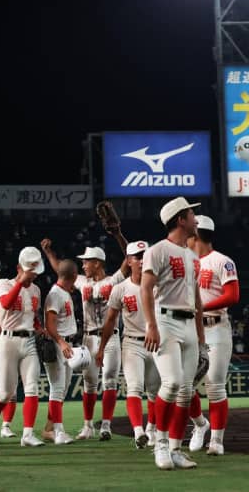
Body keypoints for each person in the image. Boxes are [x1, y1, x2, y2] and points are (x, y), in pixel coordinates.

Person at [41, 237, 128, 441]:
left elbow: (128, 261)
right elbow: (62, 271)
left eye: (86, 261)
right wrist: (49, 254)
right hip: (89, 338)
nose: (83, 265)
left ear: (97, 262)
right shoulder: (82, 282)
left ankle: (106, 425)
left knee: (110, 381)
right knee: (89, 382)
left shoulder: (113, 280)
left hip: (112, 337)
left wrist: (118, 234)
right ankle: (88, 426)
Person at [141, 197, 205, 470]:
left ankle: (177, 448)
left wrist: (201, 337)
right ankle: (161, 444)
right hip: (165, 320)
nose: (196, 219)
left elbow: (197, 298)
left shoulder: (191, 256)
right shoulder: (157, 250)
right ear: (180, 219)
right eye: (192, 214)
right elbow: (145, 288)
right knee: (172, 383)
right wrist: (151, 325)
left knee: (187, 389)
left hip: (188, 322)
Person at [97, 240, 160, 449]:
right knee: (134, 388)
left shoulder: (159, 285)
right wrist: (101, 348)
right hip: (132, 343)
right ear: (129, 261)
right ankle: (138, 431)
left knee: (154, 391)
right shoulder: (120, 289)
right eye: (137, 257)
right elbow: (109, 321)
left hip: (156, 343)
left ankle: (151, 428)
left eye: (145, 256)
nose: (142, 261)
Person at [186, 215, 239, 456]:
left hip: (216, 327)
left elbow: (233, 295)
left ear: (195, 236)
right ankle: (199, 424)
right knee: (183, 385)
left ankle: (216, 440)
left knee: (215, 385)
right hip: (190, 328)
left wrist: (201, 307)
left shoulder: (222, 261)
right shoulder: (185, 262)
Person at [0, 246, 46, 447]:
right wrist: (20, 282)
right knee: (6, 393)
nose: (34, 276)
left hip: (29, 341)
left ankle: (27, 434)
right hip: (8, 341)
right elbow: (6, 304)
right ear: (19, 267)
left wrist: (40, 328)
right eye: (31, 272)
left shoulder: (36, 289)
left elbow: (32, 317)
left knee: (32, 387)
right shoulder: (5, 283)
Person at [42, 257, 79, 445]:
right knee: (57, 389)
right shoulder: (56, 294)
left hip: (66, 345)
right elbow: (49, 324)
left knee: (62, 390)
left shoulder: (63, 292)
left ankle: (49, 429)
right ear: (74, 275)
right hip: (58, 345)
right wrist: (62, 342)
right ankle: (59, 431)